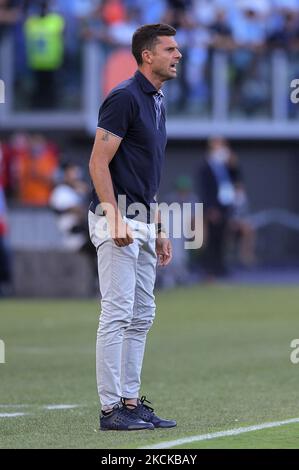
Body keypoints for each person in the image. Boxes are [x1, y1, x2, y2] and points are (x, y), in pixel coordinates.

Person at [88, 23, 181, 431]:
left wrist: (159, 228)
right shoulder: (125, 97)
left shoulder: (158, 101)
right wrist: (112, 216)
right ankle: (111, 410)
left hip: (144, 220)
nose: (178, 55)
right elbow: (97, 162)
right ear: (147, 55)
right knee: (118, 313)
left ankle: (130, 400)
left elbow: (147, 177)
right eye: (170, 49)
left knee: (142, 315)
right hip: (118, 219)